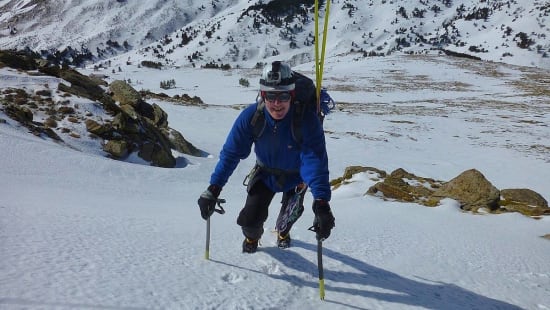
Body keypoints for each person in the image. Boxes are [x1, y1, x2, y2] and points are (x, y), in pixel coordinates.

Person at [197, 61, 335, 253]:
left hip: (297, 178)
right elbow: (231, 154)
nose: (276, 103)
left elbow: (315, 161)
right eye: (271, 95)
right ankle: (252, 238)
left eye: (283, 95)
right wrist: (213, 189)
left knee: (288, 218)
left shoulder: (306, 121)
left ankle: (283, 233)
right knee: (250, 220)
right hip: (265, 175)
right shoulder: (252, 117)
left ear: (291, 95)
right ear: (263, 95)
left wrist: (321, 202)